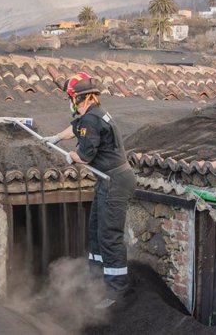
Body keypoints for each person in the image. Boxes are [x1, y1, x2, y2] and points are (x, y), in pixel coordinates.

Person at [43, 71, 137, 308]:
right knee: (95, 228)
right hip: (106, 180)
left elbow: (84, 156)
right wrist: (55, 138)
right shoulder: (93, 114)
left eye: (70, 98)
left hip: (114, 180)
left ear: (78, 98)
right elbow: (75, 128)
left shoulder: (91, 119)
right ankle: (96, 278)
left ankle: (116, 292)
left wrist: (71, 157)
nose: (70, 102)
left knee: (109, 235)